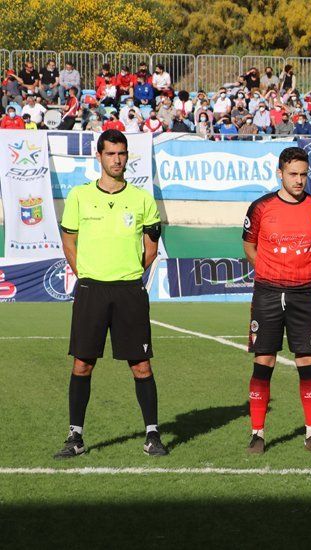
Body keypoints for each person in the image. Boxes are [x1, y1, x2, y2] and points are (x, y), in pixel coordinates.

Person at [54, 130, 165, 459]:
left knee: (141, 365)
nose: (117, 159)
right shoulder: (79, 195)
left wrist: (129, 272)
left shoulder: (143, 198)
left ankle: (152, 435)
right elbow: (69, 242)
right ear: (99, 157)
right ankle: (75, 436)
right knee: (82, 364)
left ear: (127, 156)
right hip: (91, 289)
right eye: (111, 153)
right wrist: (86, 274)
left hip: (129, 290)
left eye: (122, 153)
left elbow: (152, 247)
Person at [240, 147, 311, 455]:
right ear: (280, 173)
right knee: (264, 361)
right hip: (267, 293)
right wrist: (271, 272)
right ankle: (257, 434)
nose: (299, 180)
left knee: (308, 362)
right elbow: (249, 247)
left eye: (304, 174)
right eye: (293, 174)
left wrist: (298, 272)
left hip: (304, 294)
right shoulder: (261, 207)